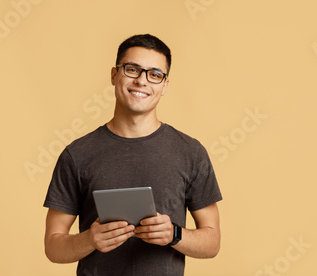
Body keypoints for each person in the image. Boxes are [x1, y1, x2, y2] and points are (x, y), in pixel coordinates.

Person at [43, 34, 222, 276]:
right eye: (132, 69)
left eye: (154, 74)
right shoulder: (77, 154)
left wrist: (174, 234)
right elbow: (53, 247)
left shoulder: (191, 152)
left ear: (165, 85)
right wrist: (90, 240)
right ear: (114, 75)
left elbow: (212, 242)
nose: (142, 81)